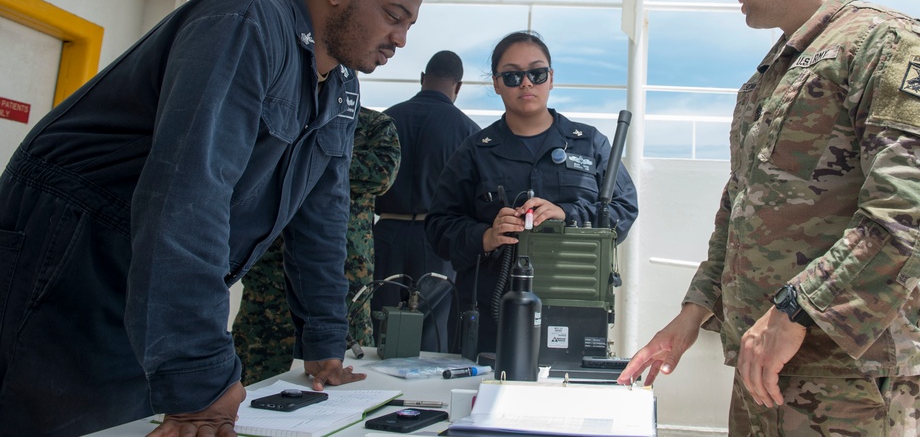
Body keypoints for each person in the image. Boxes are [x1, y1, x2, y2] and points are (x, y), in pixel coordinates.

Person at [0, 0, 423, 436]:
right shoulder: (248, 22)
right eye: (393, 15)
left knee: (137, 421)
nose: (400, 38)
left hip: (145, 270)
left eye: (408, 26)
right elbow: (188, 193)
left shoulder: (340, 87)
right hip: (71, 251)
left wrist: (324, 342)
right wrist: (199, 372)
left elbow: (322, 219)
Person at [617, 0, 920, 436]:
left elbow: (915, 215)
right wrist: (690, 317)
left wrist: (794, 312)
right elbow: (740, 209)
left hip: (852, 384)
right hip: (763, 373)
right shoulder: (770, 77)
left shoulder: (890, 45)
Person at [425, 30, 639, 354]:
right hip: (488, 319)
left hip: (574, 308)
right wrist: (486, 236)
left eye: (536, 73)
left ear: (550, 78)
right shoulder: (473, 152)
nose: (526, 83)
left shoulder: (591, 143)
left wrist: (568, 215)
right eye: (512, 76)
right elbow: (438, 226)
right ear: (496, 83)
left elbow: (623, 207)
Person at [232, 106, 401, 385]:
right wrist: (323, 160)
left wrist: (307, 158)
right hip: (271, 263)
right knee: (259, 355)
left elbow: (381, 173)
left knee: (343, 360)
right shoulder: (283, 115)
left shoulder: (374, 124)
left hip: (344, 266)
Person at [372, 50, 480, 352]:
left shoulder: (385, 120)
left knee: (381, 323)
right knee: (433, 329)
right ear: (458, 87)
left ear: (422, 78)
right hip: (437, 240)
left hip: (384, 235)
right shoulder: (468, 133)